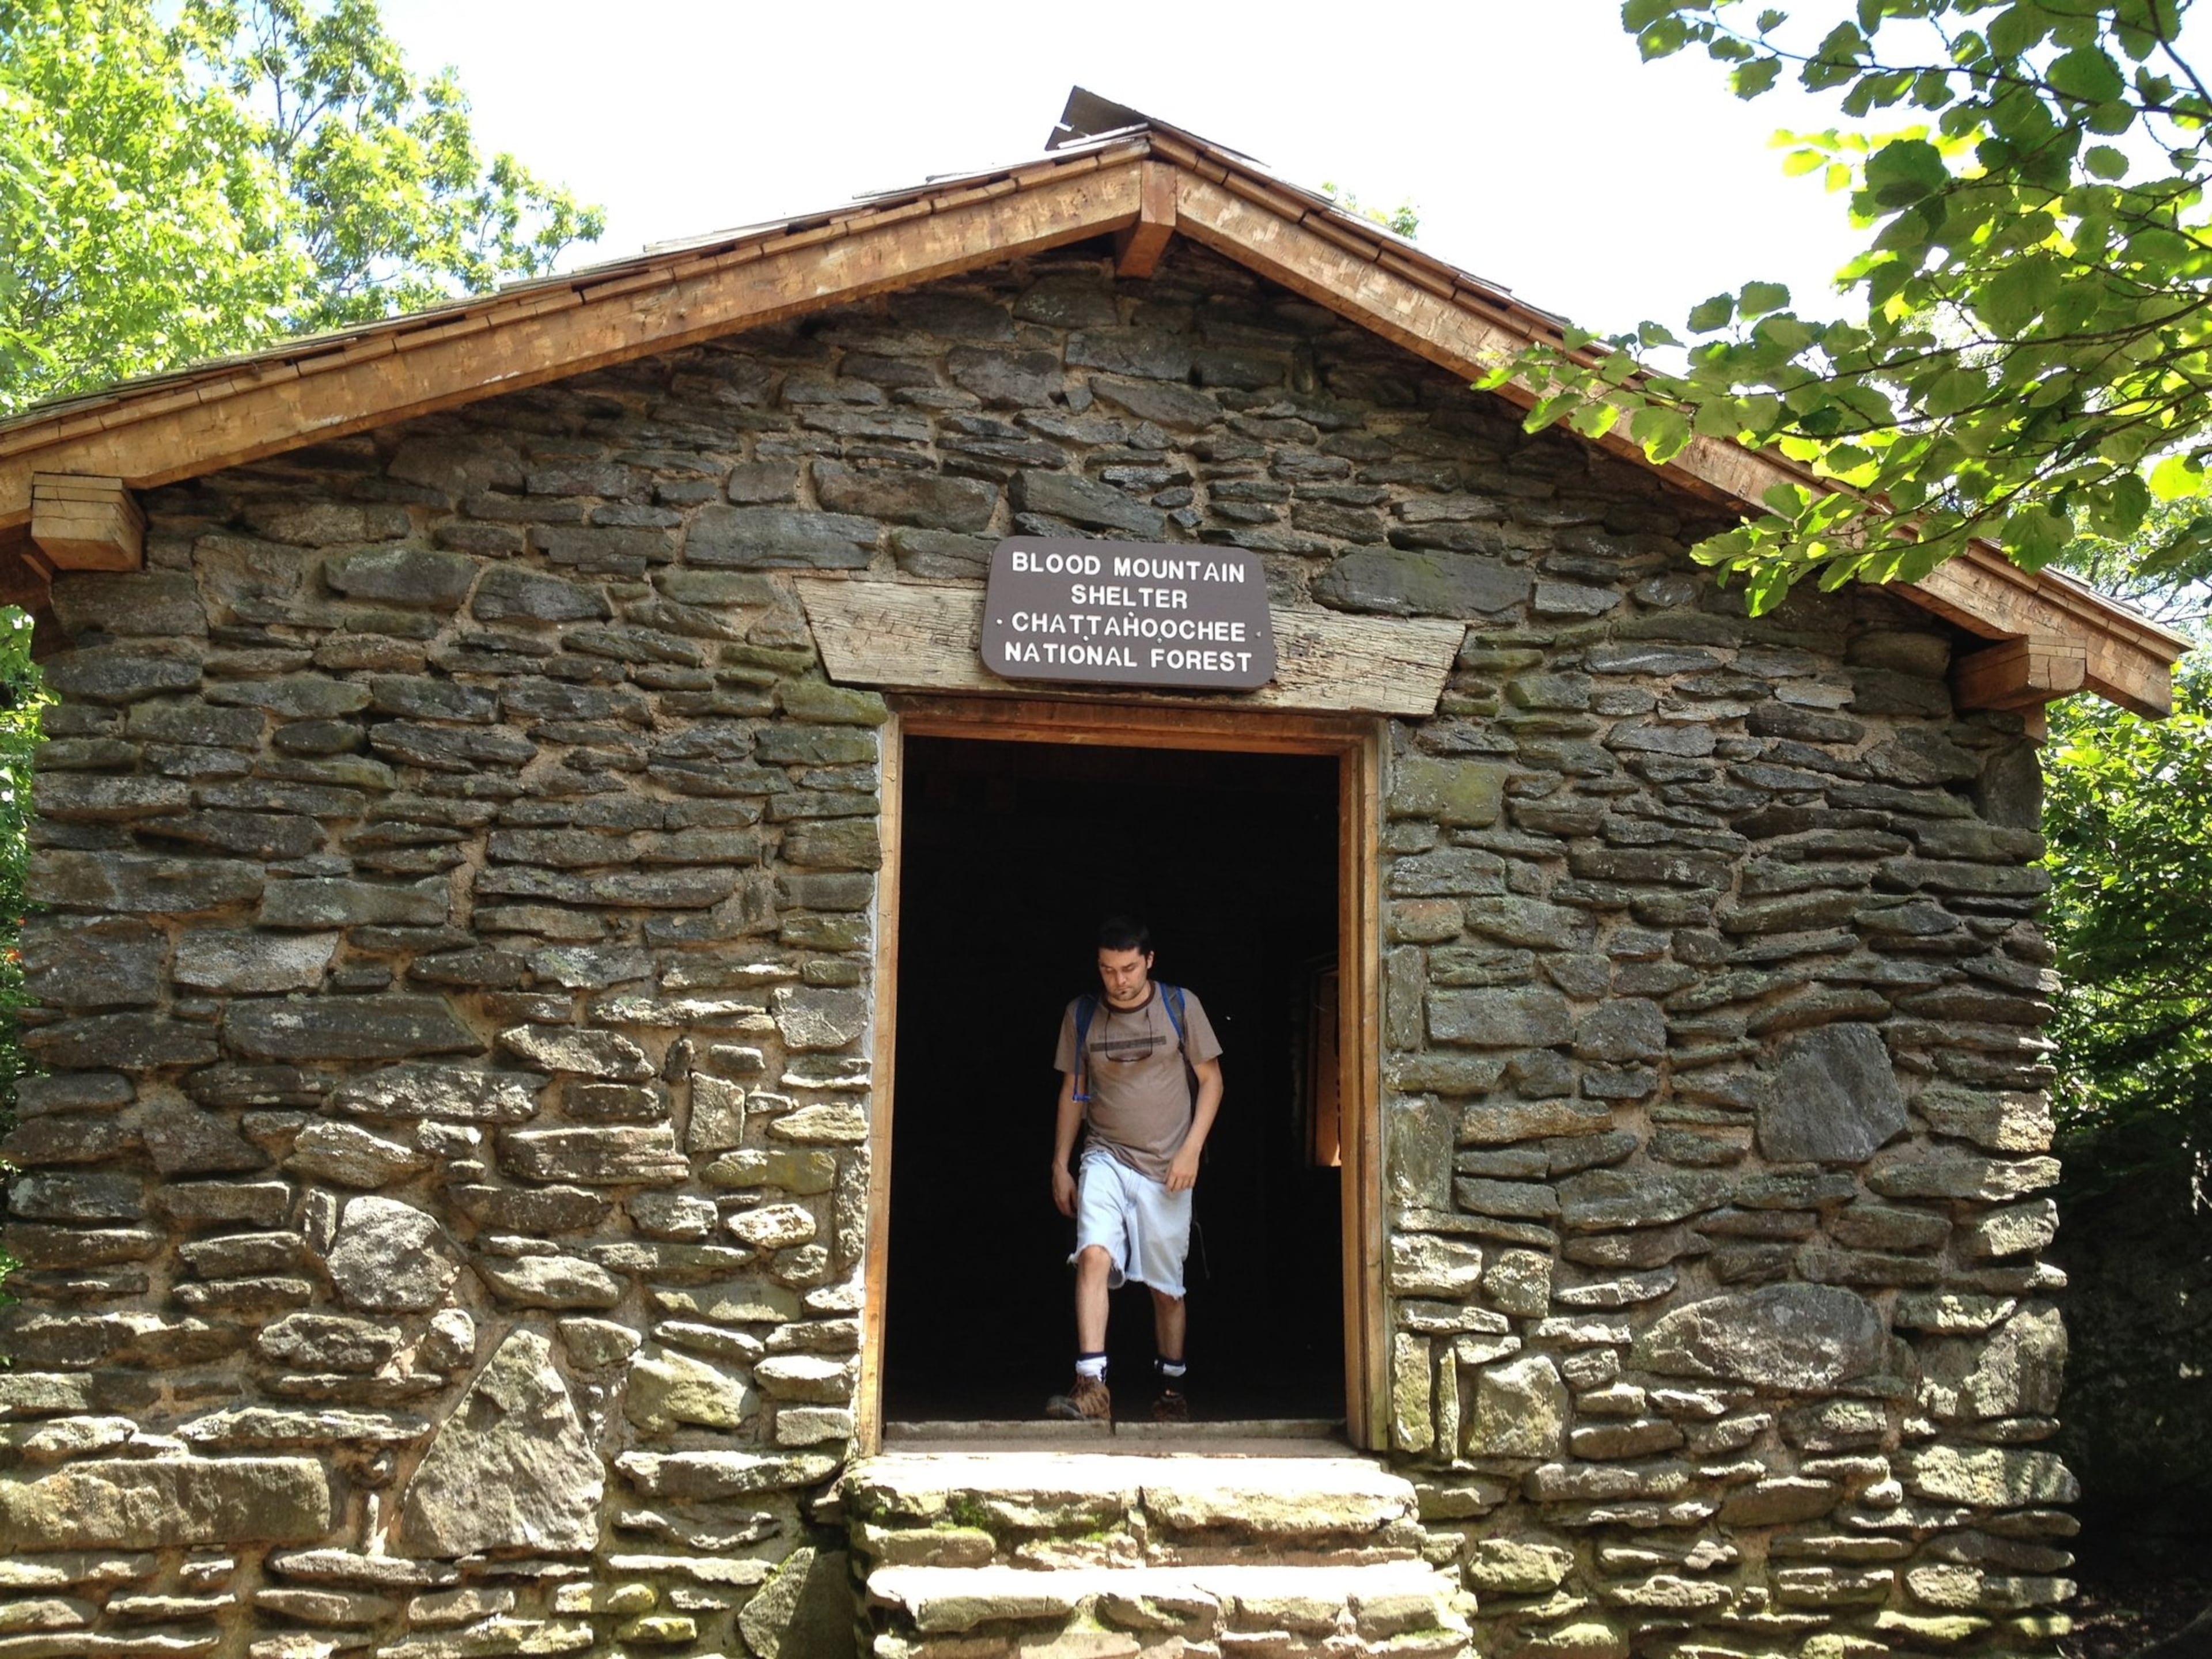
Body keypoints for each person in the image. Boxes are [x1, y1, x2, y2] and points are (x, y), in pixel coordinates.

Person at [1046, 916, 1224, 1424]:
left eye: (1128, 969)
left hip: (1168, 1166)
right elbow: (1074, 1092)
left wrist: (1192, 1150)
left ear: (1149, 961)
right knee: (1094, 1255)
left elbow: (1212, 1082)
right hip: (1104, 1153)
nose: (1118, 981)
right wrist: (1061, 1164)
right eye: (1107, 970)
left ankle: (1171, 1387)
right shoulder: (1081, 1016)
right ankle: (1091, 1385)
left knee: (1166, 1291)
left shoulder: (1180, 1006)